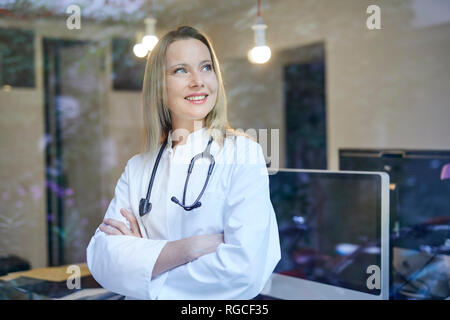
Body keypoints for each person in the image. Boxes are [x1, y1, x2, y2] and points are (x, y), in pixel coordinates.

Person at [86, 26, 280, 300]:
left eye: (205, 67)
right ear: (159, 87)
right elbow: (102, 259)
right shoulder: (138, 168)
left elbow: (244, 271)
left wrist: (147, 265)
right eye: (180, 70)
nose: (198, 81)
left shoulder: (243, 154)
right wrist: (190, 248)